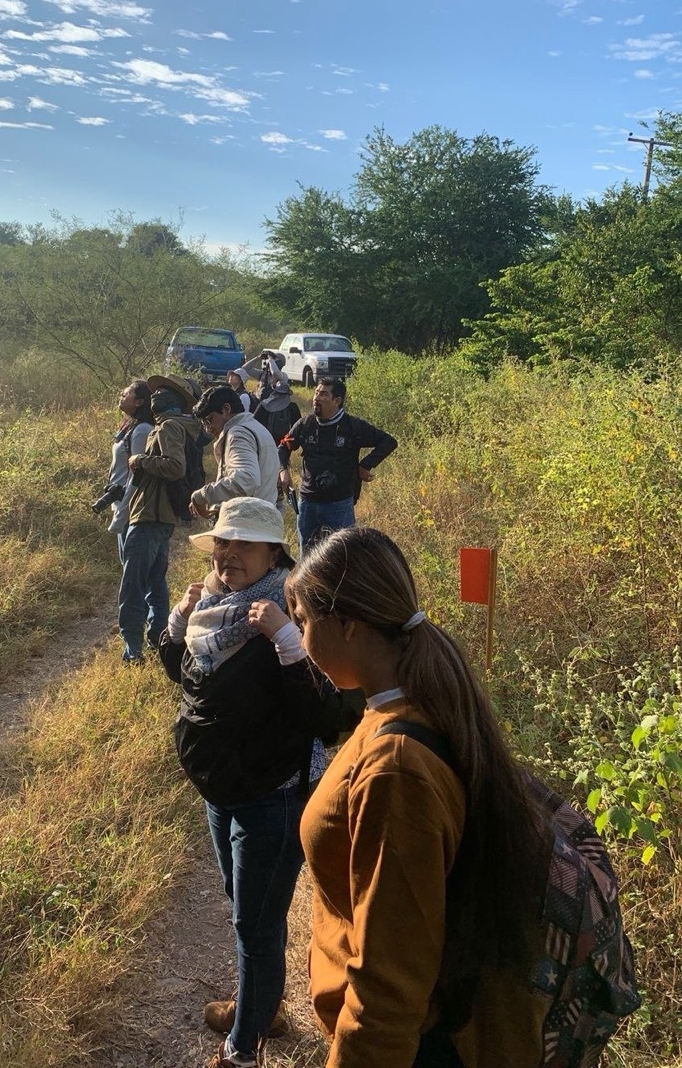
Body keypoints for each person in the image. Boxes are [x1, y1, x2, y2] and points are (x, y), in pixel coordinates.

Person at [285, 526, 553, 1068]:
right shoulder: (406, 704)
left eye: (304, 622)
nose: (301, 639)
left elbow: (388, 991)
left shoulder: (396, 771)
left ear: (349, 625)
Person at [156, 497, 343, 1068]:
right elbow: (193, 689)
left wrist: (289, 641)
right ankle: (262, 1007)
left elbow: (330, 718)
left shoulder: (292, 610)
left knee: (255, 923)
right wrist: (177, 625)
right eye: (222, 542)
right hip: (223, 792)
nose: (229, 553)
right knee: (247, 909)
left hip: (273, 798)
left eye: (244, 544)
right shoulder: (213, 607)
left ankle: (243, 1047)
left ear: (273, 553)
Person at [119, 373, 197, 665]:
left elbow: (175, 467)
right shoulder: (176, 426)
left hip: (150, 515)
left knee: (134, 584)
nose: (156, 396)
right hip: (159, 516)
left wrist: (141, 461)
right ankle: (158, 639)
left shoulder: (168, 427)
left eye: (162, 392)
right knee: (155, 582)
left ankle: (133, 650)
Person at [278, 376, 397, 552]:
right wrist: (283, 471)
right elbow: (283, 447)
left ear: (337, 401)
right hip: (307, 502)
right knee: (308, 557)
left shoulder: (353, 427)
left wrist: (365, 465)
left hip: (339, 504)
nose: (316, 398)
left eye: (323, 394)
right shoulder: (305, 424)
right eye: (316, 392)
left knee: (343, 556)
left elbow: (388, 442)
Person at [189, 384, 281, 519]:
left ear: (226, 410)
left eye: (209, 420)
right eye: (204, 424)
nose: (208, 429)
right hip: (260, 520)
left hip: (246, 526)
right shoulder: (255, 427)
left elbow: (246, 480)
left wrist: (202, 495)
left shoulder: (238, 434)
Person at [104, 380, 154, 552]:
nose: (122, 394)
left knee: (132, 571)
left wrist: (121, 516)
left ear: (139, 402)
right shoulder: (131, 426)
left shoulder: (142, 430)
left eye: (127, 393)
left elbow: (137, 476)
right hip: (123, 504)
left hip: (132, 509)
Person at [236, 351, 298, 445]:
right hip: (259, 405)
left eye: (274, 360)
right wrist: (258, 357)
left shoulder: (283, 376)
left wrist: (271, 359)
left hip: (273, 407)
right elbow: (245, 369)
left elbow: (276, 373)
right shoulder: (262, 374)